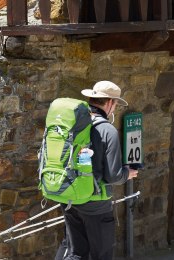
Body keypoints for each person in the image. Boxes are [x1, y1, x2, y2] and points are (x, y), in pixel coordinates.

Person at [59, 81, 138, 260]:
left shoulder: (73, 123)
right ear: (109, 102)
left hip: (70, 197)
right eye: (116, 104)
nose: (115, 108)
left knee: (76, 253)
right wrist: (128, 174)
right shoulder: (107, 130)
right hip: (96, 204)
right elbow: (113, 175)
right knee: (101, 255)